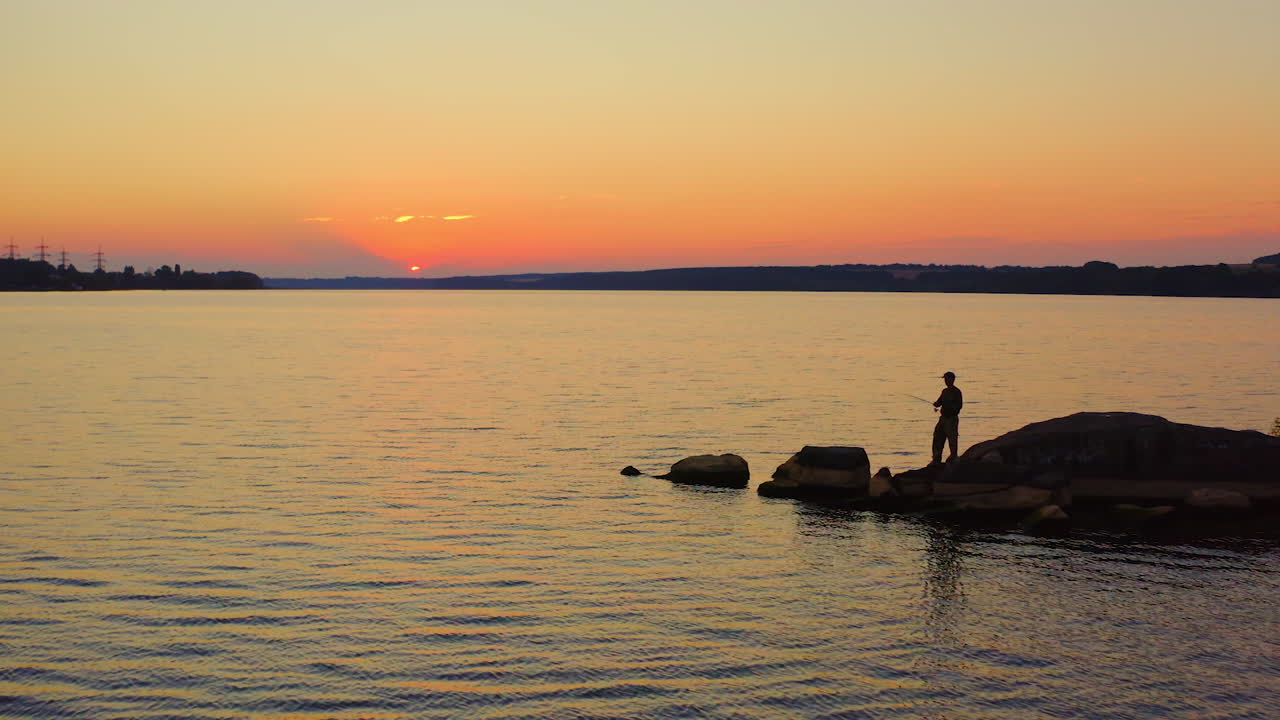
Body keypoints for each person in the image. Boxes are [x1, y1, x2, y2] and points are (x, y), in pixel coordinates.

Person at [931, 371, 963, 464]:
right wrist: (936, 404)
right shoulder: (944, 391)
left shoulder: (957, 392)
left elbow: (959, 406)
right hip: (943, 418)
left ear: (952, 380)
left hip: (952, 419)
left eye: (946, 379)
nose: (945, 381)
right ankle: (936, 458)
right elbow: (939, 402)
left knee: (952, 438)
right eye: (944, 379)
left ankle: (953, 457)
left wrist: (950, 408)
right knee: (937, 437)